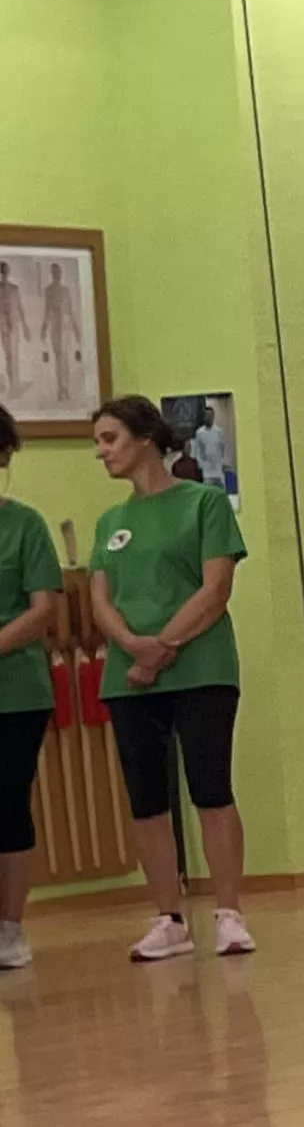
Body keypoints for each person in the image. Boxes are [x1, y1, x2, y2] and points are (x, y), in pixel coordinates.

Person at [86, 395, 252, 961]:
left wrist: (164, 647)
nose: (101, 452)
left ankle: (229, 914)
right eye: (98, 442)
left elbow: (215, 588)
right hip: (128, 675)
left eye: (109, 439)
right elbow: (101, 599)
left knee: (211, 788)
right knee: (148, 800)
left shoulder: (203, 503)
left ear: (145, 439)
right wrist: (133, 645)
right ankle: (169, 919)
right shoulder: (110, 522)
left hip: (201, 669)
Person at [0, 405, 57, 971]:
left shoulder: (25, 525)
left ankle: (10, 928)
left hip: (15, 693)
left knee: (7, 804)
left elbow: (42, 609)